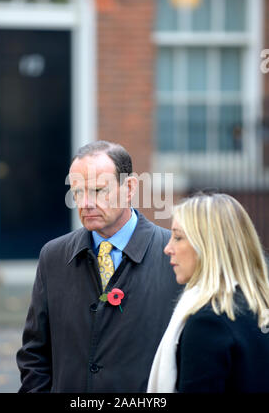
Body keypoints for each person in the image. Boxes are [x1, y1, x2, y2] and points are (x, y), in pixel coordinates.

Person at [16, 140, 182, 392]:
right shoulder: (53, 256)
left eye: (98, 190)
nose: (85, 203)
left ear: (129, 188)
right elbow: (34, 354)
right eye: (78, 192)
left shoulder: (175, 255)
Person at [147, 192, 269, 393]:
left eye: (178, 237)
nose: (168, 248)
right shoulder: (258, 305)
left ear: (207, 246)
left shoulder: (209, 323)